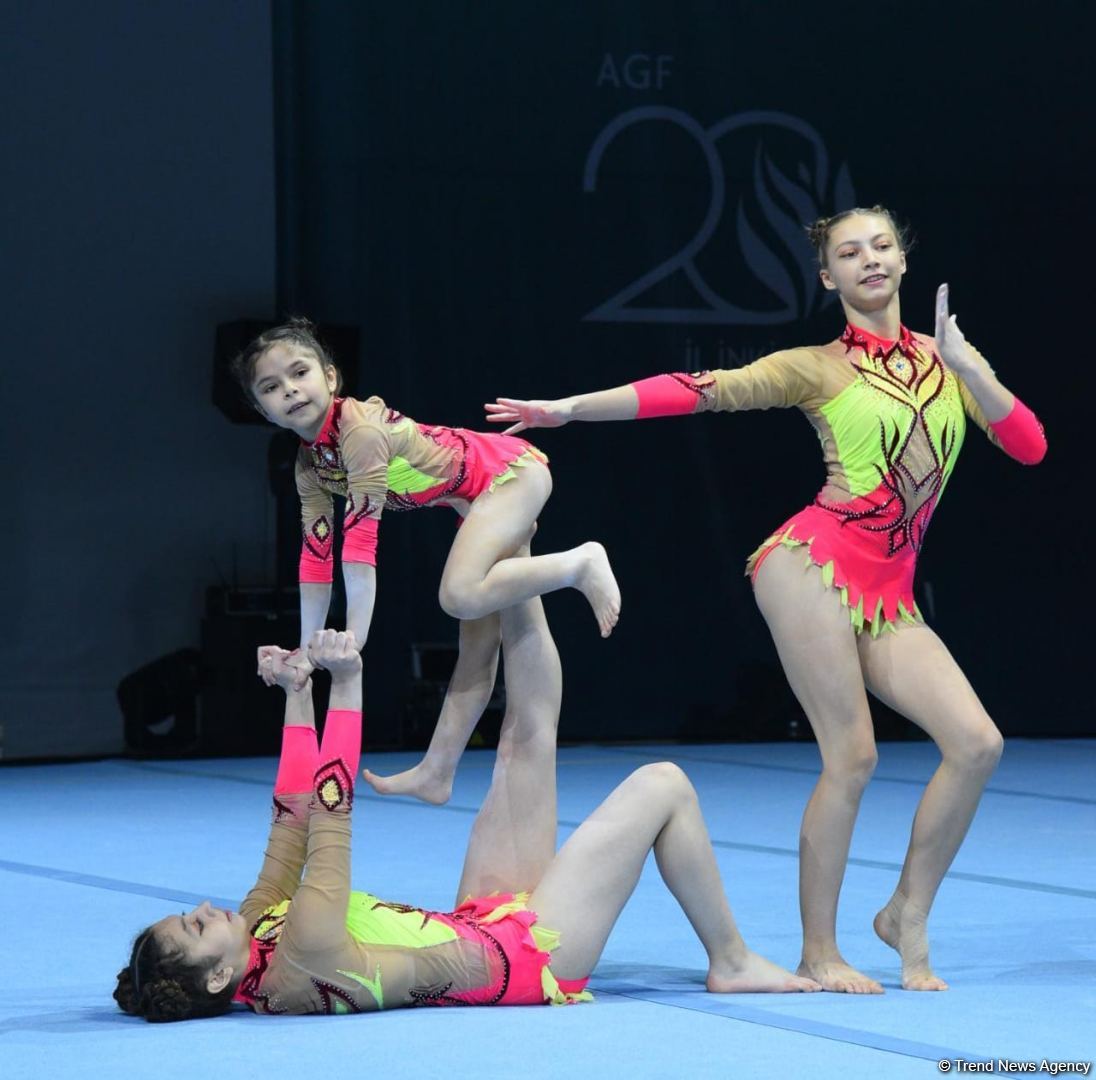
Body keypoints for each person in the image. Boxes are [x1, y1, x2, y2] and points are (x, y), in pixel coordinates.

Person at [484, 206, 1047, 994]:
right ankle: (820, 950)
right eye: (849, 254)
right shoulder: (818, 366)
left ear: (904, 259)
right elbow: (698, 390)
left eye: (881, 246)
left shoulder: (951, 359)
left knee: (977, 744)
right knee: (852, 755)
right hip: (811, 563)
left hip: (887, 591)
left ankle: (905, 915)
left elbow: (1029, 446)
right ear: (828, 277)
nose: (869, 261)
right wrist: (572, 408)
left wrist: (969, 366)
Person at [114, 615, 819, 1022]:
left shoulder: (258, 939)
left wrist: (298, 692)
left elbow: (290, 818)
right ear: (216, 979)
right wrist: (350, 685)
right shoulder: (299, 957)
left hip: (478, 928)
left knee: (523, 738)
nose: (205, 908)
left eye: (191, 912)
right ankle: (731, 960)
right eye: (196, 926)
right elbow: (331, 817)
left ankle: (518, 561)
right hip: (529, 961)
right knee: (663, 783)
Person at [229, 318, 620, 804]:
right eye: (271, 387)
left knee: (459, 594)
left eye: (299, 373)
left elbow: (360, 543)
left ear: (331, 377)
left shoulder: (361, 432)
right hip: (475, 504)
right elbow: (316, 561)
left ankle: (579, 563)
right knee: (477, 648)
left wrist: (355, 641)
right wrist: (307, 649)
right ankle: (437, 772)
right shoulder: (310, 465)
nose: (289, 390)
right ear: (261, 410)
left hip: (507, 474)